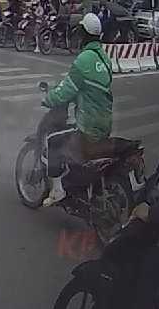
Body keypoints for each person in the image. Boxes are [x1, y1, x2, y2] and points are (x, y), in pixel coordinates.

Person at [42, 13, 114, 206]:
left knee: (53, 140)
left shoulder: (83, 60)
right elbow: (92, 90)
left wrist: (48, 99)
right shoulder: (105, 59)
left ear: (83, 34)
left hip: (88, 124)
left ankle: (57, 191)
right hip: (105, 123)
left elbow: (66, 91)